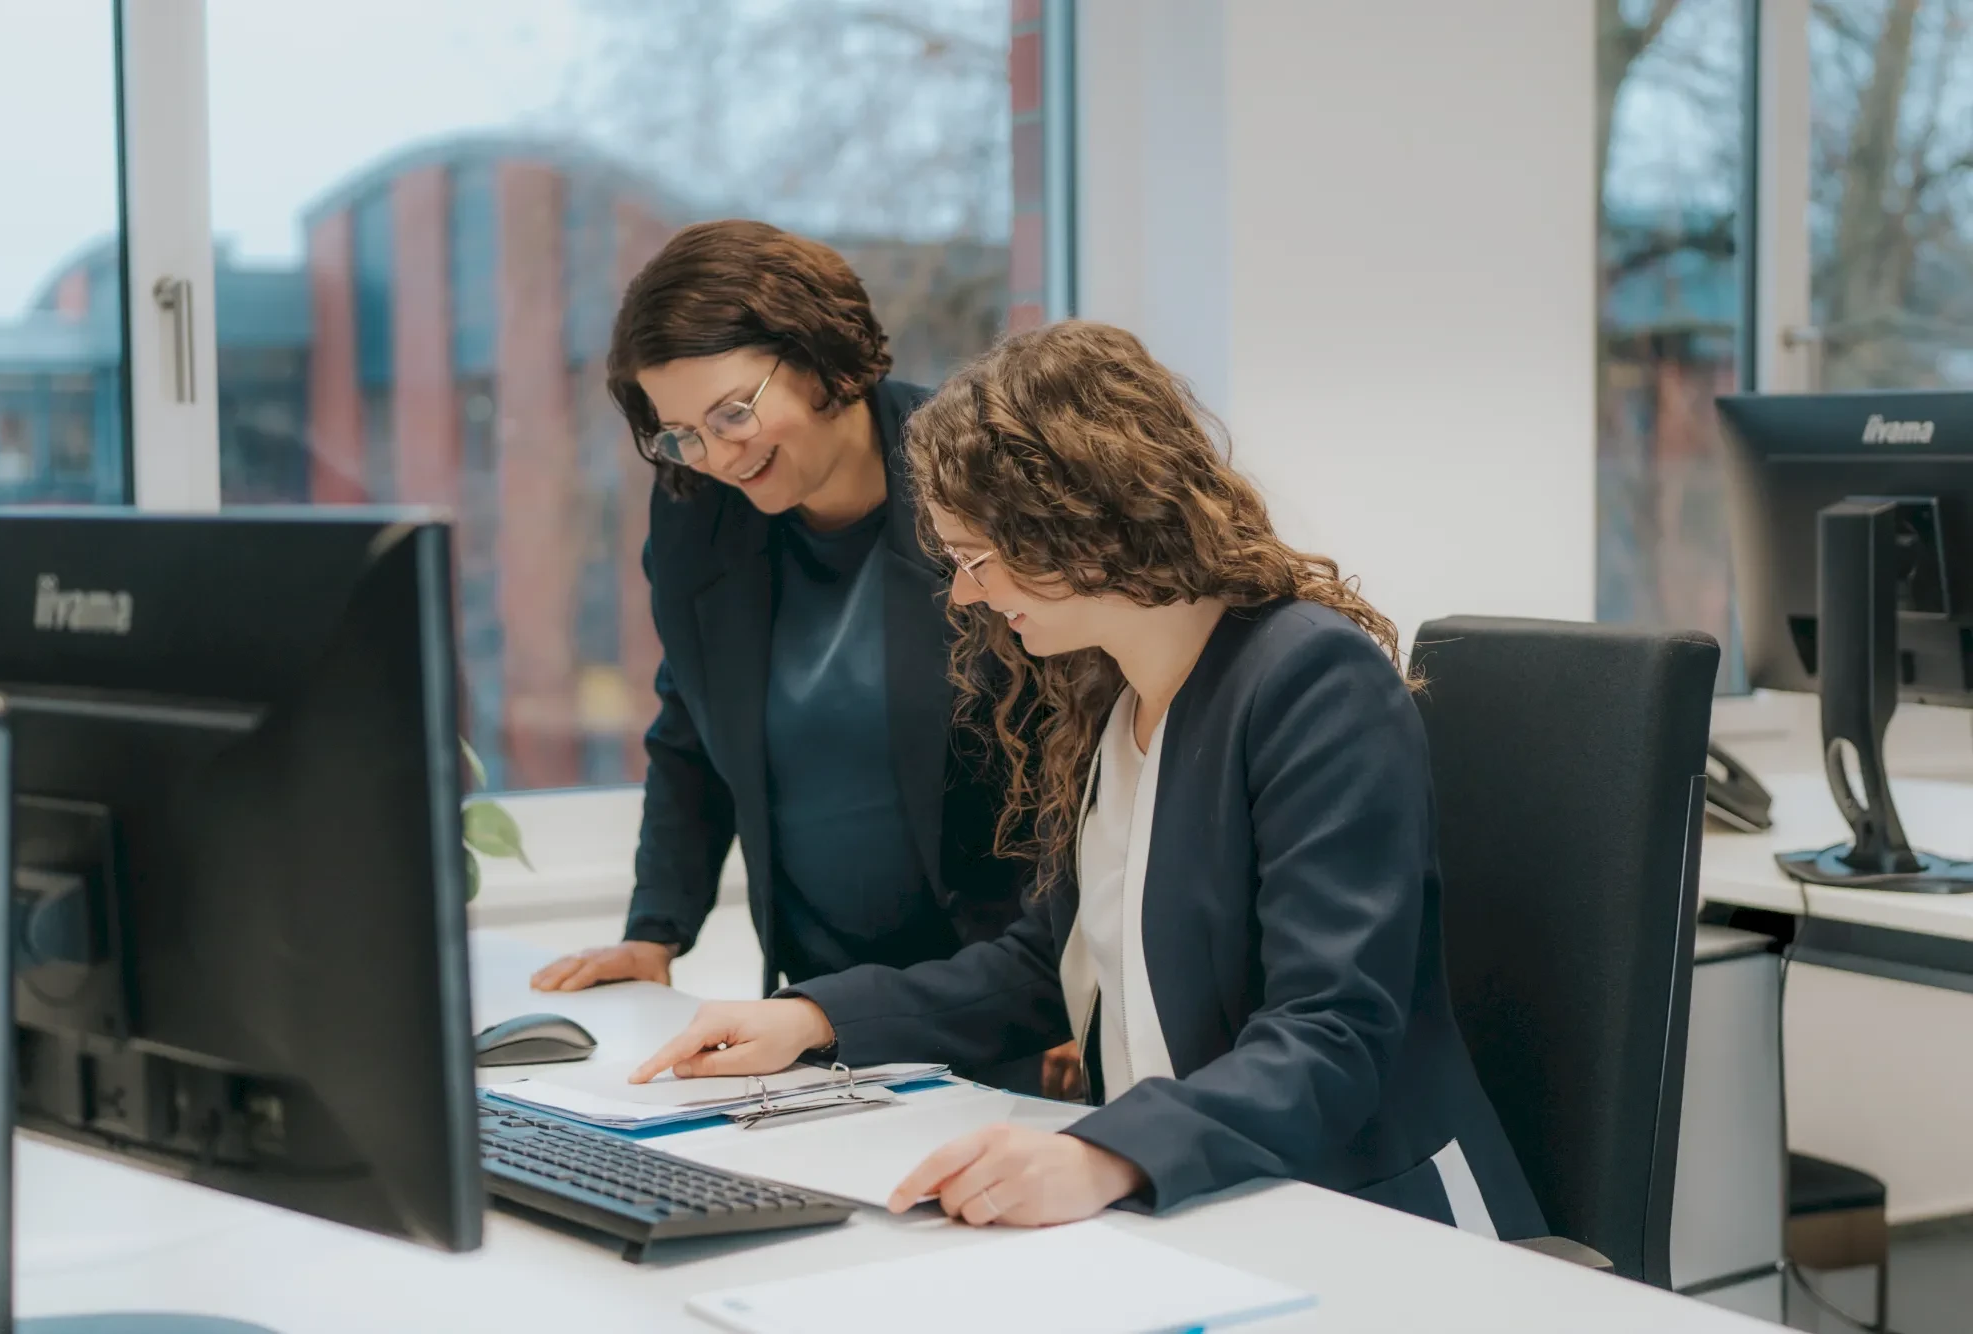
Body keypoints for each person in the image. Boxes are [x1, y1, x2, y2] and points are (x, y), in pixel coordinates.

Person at [628, 320, 1548, 1236]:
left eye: (978, 561)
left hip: (1370, 1217)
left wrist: (1104, 1153)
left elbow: (1330, 1034)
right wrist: (814, 1017)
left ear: (1080, 520)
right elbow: (1048, 963)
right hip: (1201, 1198)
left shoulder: (1311, 681)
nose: (966, 596)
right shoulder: (1109, 690)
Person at [529, 219, 1073, 1095]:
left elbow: (1080, 755)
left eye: (733, 411)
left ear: (821, 357)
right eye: (681, 434)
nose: (716, 454)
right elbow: (692, 727)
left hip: (1005, 998)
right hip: (816, 1013)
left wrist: (1085, 991)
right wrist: (656, 930)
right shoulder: (697, 516)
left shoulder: (979, 485)